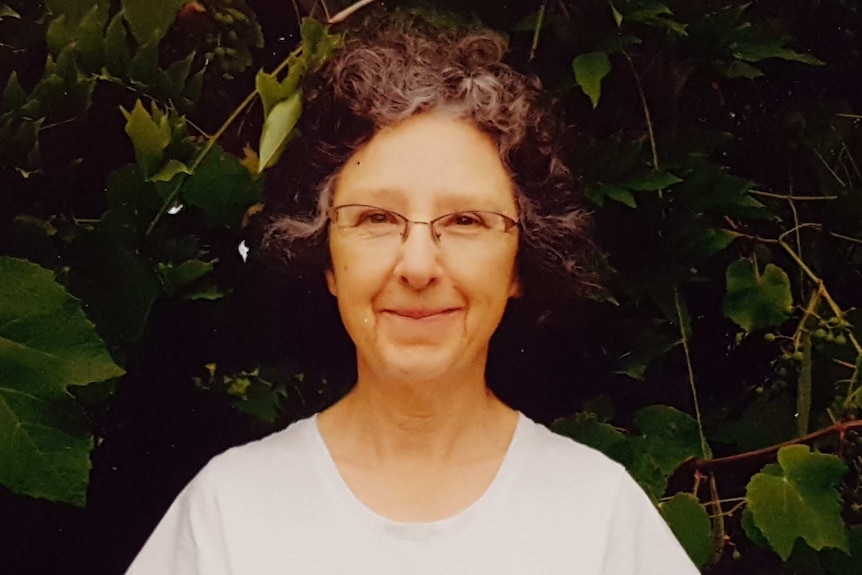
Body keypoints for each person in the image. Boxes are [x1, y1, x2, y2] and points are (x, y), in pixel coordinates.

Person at [126, 9, 700, 574]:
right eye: (376, 218)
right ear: (326, 259)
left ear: (522, 264)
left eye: (466, 221)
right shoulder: (230, 512)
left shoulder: (598, 516)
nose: (419, 265)